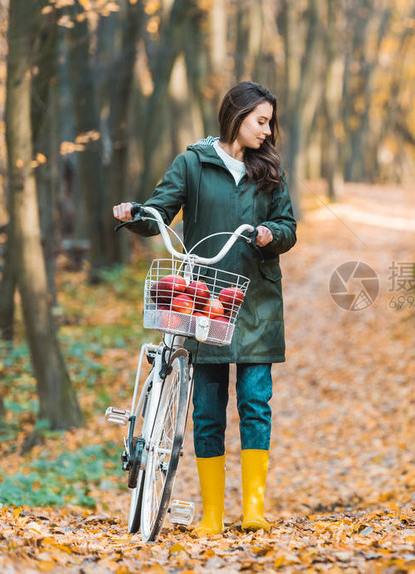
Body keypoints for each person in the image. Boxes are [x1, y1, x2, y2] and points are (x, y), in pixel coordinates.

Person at [113, 81, 297, 536]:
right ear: (236, 117)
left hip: (255, 303)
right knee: (207, 410)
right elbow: (159, 211)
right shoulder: (192, 164)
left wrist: (273, 233)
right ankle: (212, 514)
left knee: (256, 403)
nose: (267, 131)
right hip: (204, 304)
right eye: (260, 121)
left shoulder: (269, 170)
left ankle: (253, 509)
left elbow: (288, 225)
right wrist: (133, 215)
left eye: (270, 122)